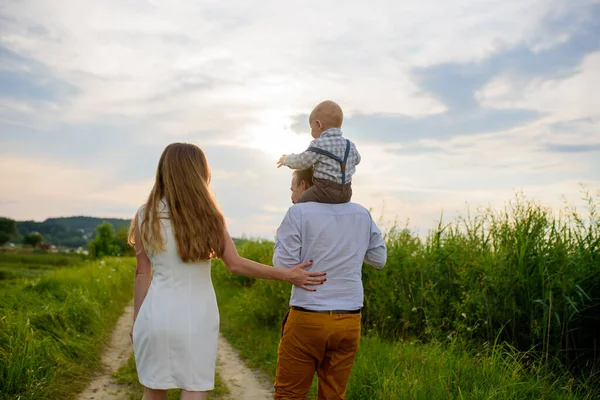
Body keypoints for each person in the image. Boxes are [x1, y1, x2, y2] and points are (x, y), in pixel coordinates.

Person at [128, 143, 327, 400]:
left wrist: (136, 322)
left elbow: (142, 274)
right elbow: (235, 264)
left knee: (153, 391)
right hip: (196, 316)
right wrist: (288, 274)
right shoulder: (208, 216)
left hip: (154, 316)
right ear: (200, 173)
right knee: (194, 389)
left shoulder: (145, 214)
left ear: (164, 172)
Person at [272, 168, 387, 399]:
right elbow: (379, 259)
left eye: (292, 188)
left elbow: (283, 264)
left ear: (305, 186)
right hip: (349, 321)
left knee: (290, 394)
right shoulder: (361, 214)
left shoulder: (298, 213)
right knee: (334, 395)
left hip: (308, 318)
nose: (292, 195)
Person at [277, 100, 360, 204]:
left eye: (311, 128)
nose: (311, 132)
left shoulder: (319, 144)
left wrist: (287, 159)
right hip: (346, 193)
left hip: (324, 191)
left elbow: (302, 162)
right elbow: (357, 159)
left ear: (318, 124)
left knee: (300, 203)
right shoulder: (350, 145)